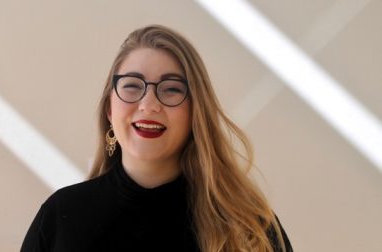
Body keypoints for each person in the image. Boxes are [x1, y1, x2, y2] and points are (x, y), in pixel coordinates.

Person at [21, 25, 293, 252]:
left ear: (196, 112)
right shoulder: (61, 217)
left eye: (171, 88)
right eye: (132, 86)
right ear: (109, 108)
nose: (149, 104)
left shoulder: (250, 229)